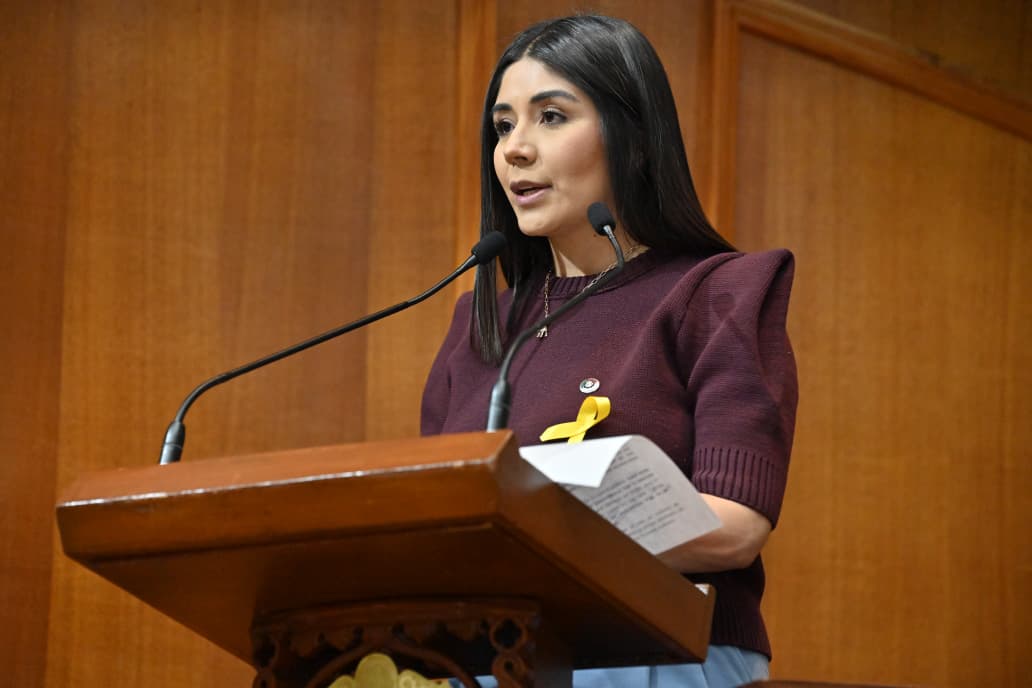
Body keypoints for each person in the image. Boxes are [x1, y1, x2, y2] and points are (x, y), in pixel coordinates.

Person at [420, 14, 797, 688]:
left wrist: (533, 542)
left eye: (551, 117)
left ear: (636, 140)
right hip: (478, 659)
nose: (515, 150)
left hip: (655, 651)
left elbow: (735, 526)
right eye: (503, 126)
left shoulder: (716, 294)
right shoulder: (482, 324)